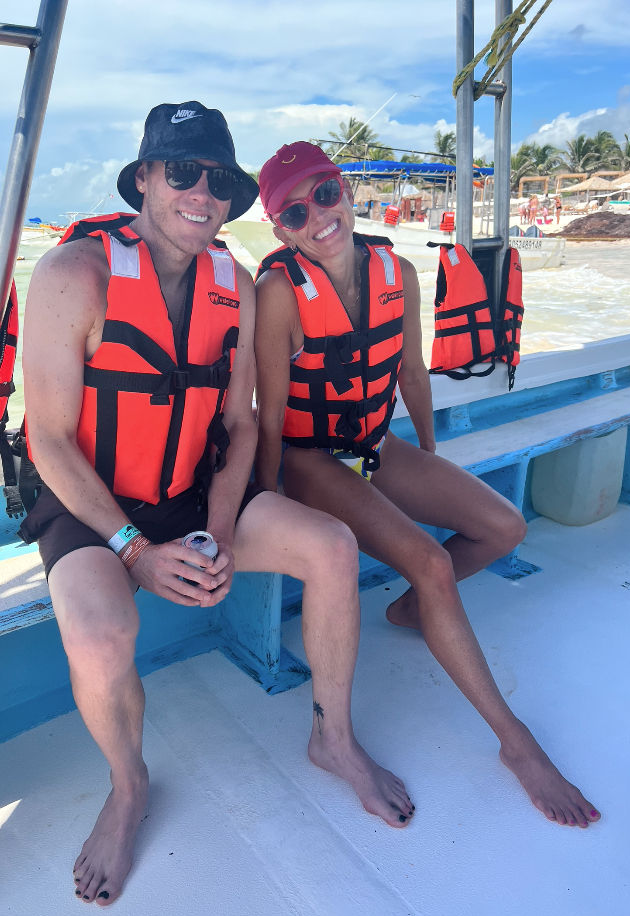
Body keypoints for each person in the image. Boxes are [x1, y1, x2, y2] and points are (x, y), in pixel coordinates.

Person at [20, 106, 414, 908]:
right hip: (89, 507)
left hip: (193, 494)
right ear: (143, 180)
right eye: (181, 172)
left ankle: (331, 740)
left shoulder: (234, 283)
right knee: (101, 634)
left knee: (332, 546)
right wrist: (133, 548)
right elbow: (51, 441)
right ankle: (128, 787)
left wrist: (222, 529)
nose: (201, 193)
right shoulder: (73, 275)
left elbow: (240, 423)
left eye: (217, 180)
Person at [254, 141, 601, 832]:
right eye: (295, 212)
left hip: (372, 445)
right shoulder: (278, 294)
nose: (317, 216)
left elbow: (410, 374)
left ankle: (413, 612)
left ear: (343, 189)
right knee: (433, 560)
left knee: (503, 526)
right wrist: (267, 500)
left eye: (325, 194)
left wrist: (433, 463)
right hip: (307, 456)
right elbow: (266, 416)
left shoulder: (396, 269)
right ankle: (515, 742)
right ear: (279, 229)